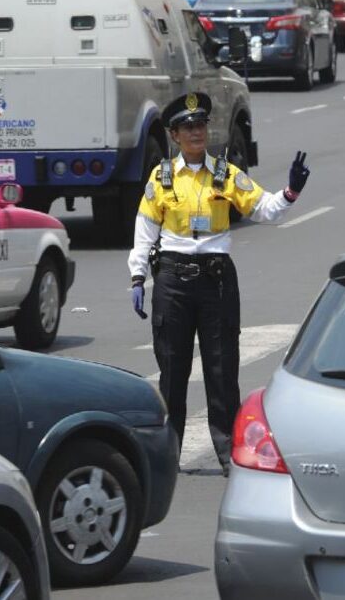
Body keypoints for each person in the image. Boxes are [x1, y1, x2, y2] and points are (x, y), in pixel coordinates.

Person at [127, 92, 310, 477]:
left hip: (217, 279)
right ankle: (169, 453)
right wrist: (138, 276)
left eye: (201, 125)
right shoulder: (161, 178)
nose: (197, 132)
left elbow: (265, 208)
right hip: (173, 278)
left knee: (222, 368)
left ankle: (229, 454)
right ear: (175, 135)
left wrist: (291, 192)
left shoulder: (225, 174)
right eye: (188, 127)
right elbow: (145, 231)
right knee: (172, 369)